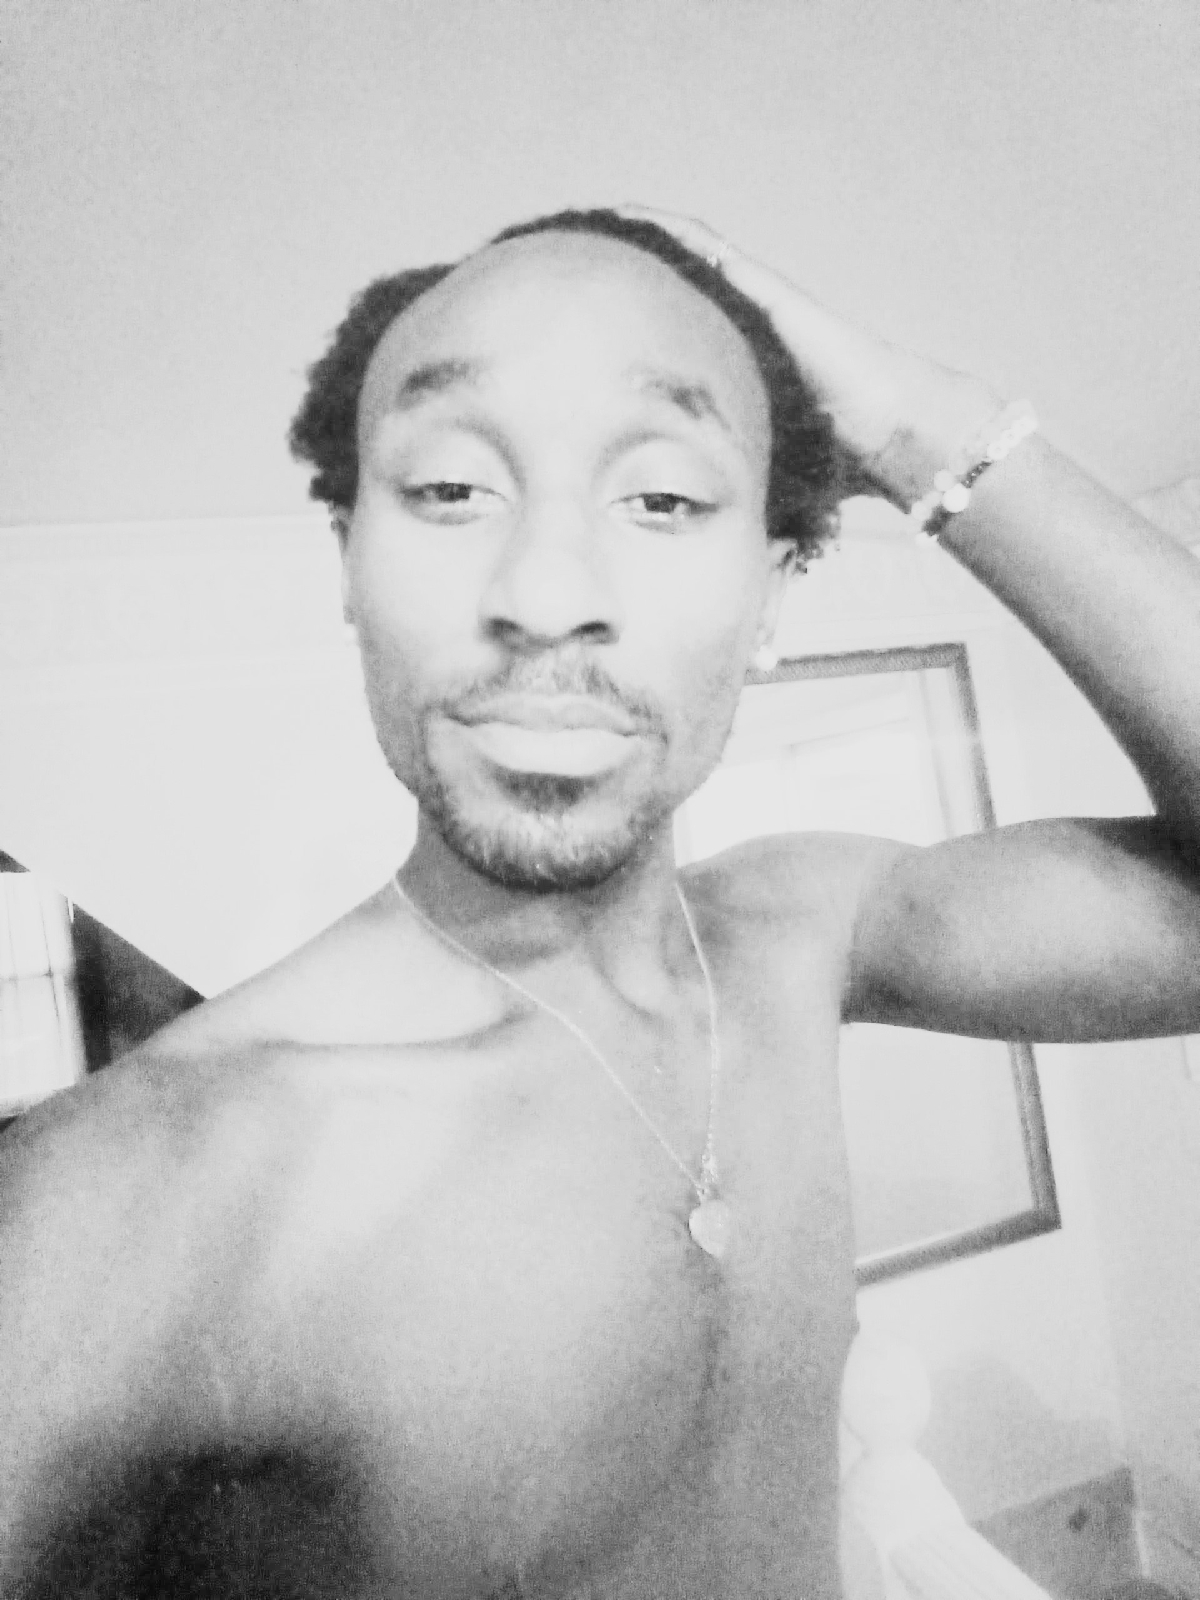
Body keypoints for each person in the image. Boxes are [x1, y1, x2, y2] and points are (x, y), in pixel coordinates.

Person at [1, 205, 1198, 1600]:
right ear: (348, 563)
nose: (548, 591)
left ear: (772, 599)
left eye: (665, 499)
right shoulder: (134, 1202)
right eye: (452, 488)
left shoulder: (803, 931)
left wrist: (928, 431)